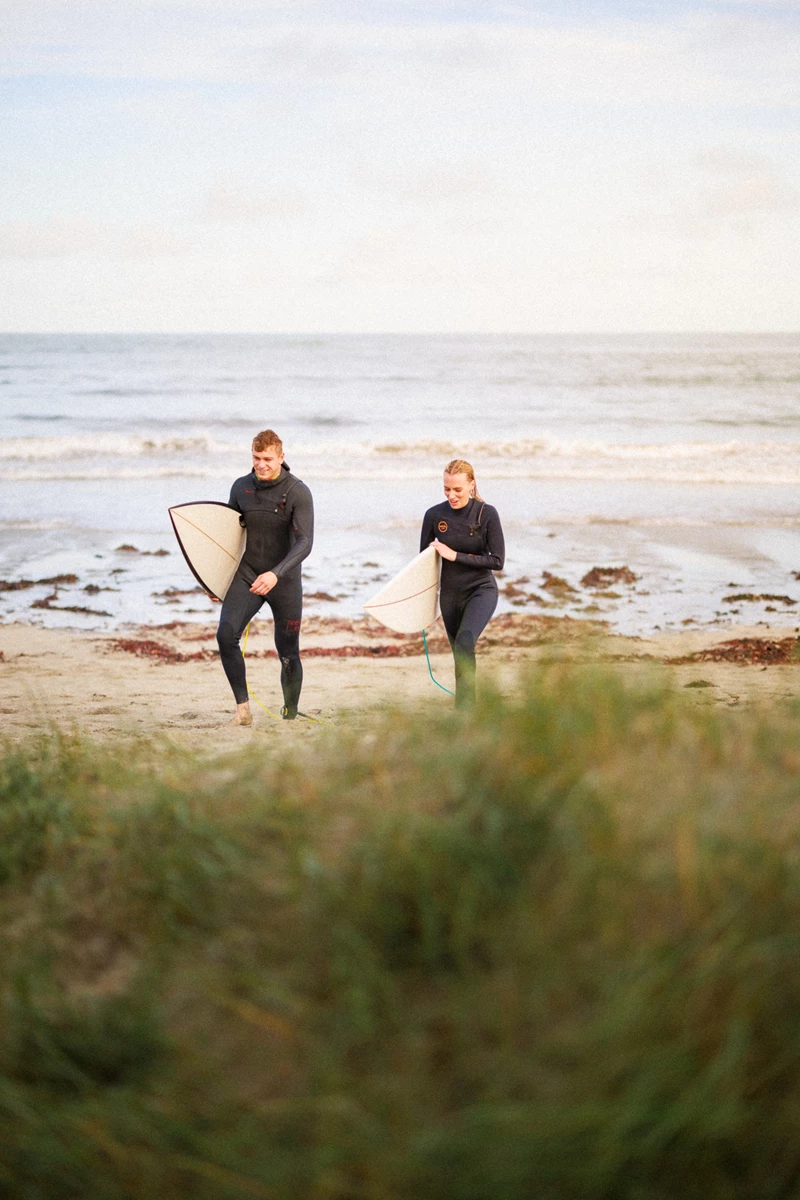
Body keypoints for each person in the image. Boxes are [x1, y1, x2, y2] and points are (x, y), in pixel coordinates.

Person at [217, 429, 313, 724]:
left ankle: (290, 714)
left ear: (281, 457)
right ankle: (243, 710)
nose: (261, 464)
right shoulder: (241, 487)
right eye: (257, 458)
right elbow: (228, 537)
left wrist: (276, 573)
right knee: (225, 635)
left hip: (283, 580)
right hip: (248, 573)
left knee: (287, 653)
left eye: (268, 458)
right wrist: (216, 578)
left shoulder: (297, 491)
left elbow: (305, 543)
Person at [420, 458, 505, 708]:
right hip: (450, 594)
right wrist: (419, 602)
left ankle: (466, 710)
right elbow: (423, 561)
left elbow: (497, 560)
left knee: (466, 642)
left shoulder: (486, 514)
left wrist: (455, 555)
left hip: (480, 590)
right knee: (459, 651)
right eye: (447, 489)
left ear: (471, 485)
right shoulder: (434, 515)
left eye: (457, 489)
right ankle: (465, 707)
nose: (452, 495)